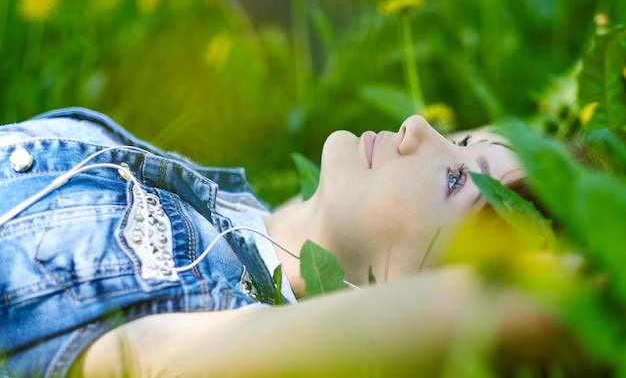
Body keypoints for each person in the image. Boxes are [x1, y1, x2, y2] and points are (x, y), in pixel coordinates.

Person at [0, 107, 556, 378]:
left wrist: (557, 293)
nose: (417, 126)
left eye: (457, 178)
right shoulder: (214, 206)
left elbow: (150, 363)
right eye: (460, 141)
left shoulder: (209, 315)